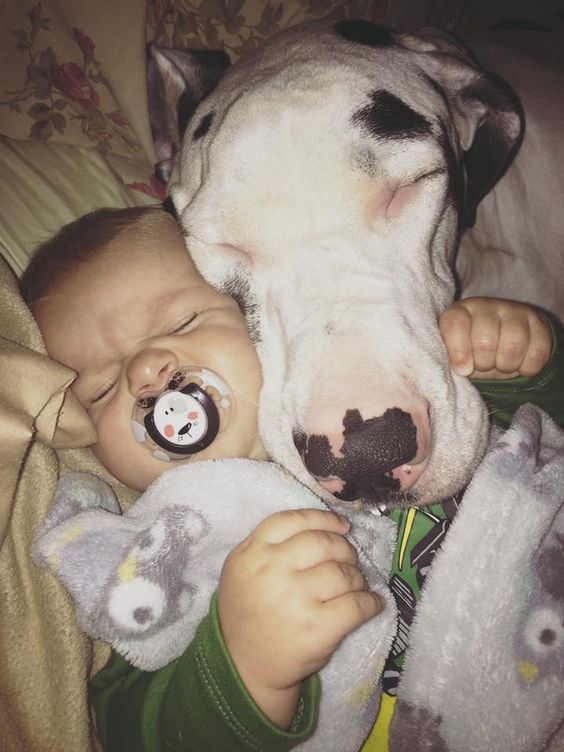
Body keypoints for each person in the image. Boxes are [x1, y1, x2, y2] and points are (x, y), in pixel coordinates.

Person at [20, 205, 564, 752]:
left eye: (182, 323)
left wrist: (515, 365)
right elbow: (125, 731)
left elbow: (546, 431)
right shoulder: (159, 550)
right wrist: (243, 664)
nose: (146, 371)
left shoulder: (372, 381)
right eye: (102, 388)